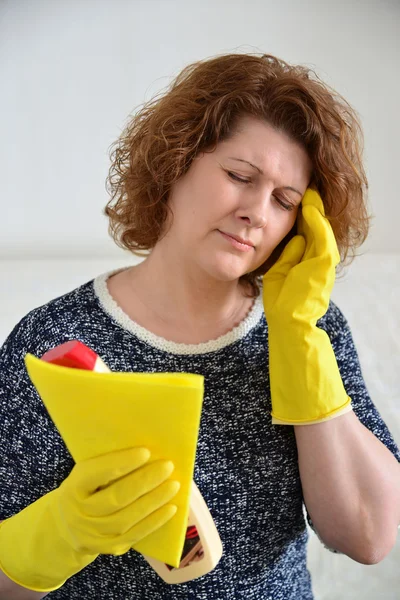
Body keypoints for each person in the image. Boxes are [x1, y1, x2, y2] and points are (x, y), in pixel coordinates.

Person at [0, 52, 399, 600]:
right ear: (176, 160)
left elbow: (369, 536)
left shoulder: (311, 328)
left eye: (284, 202)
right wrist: (63, 531)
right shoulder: (53, 338)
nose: (257, 212)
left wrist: (297, 342)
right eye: (239, 176)